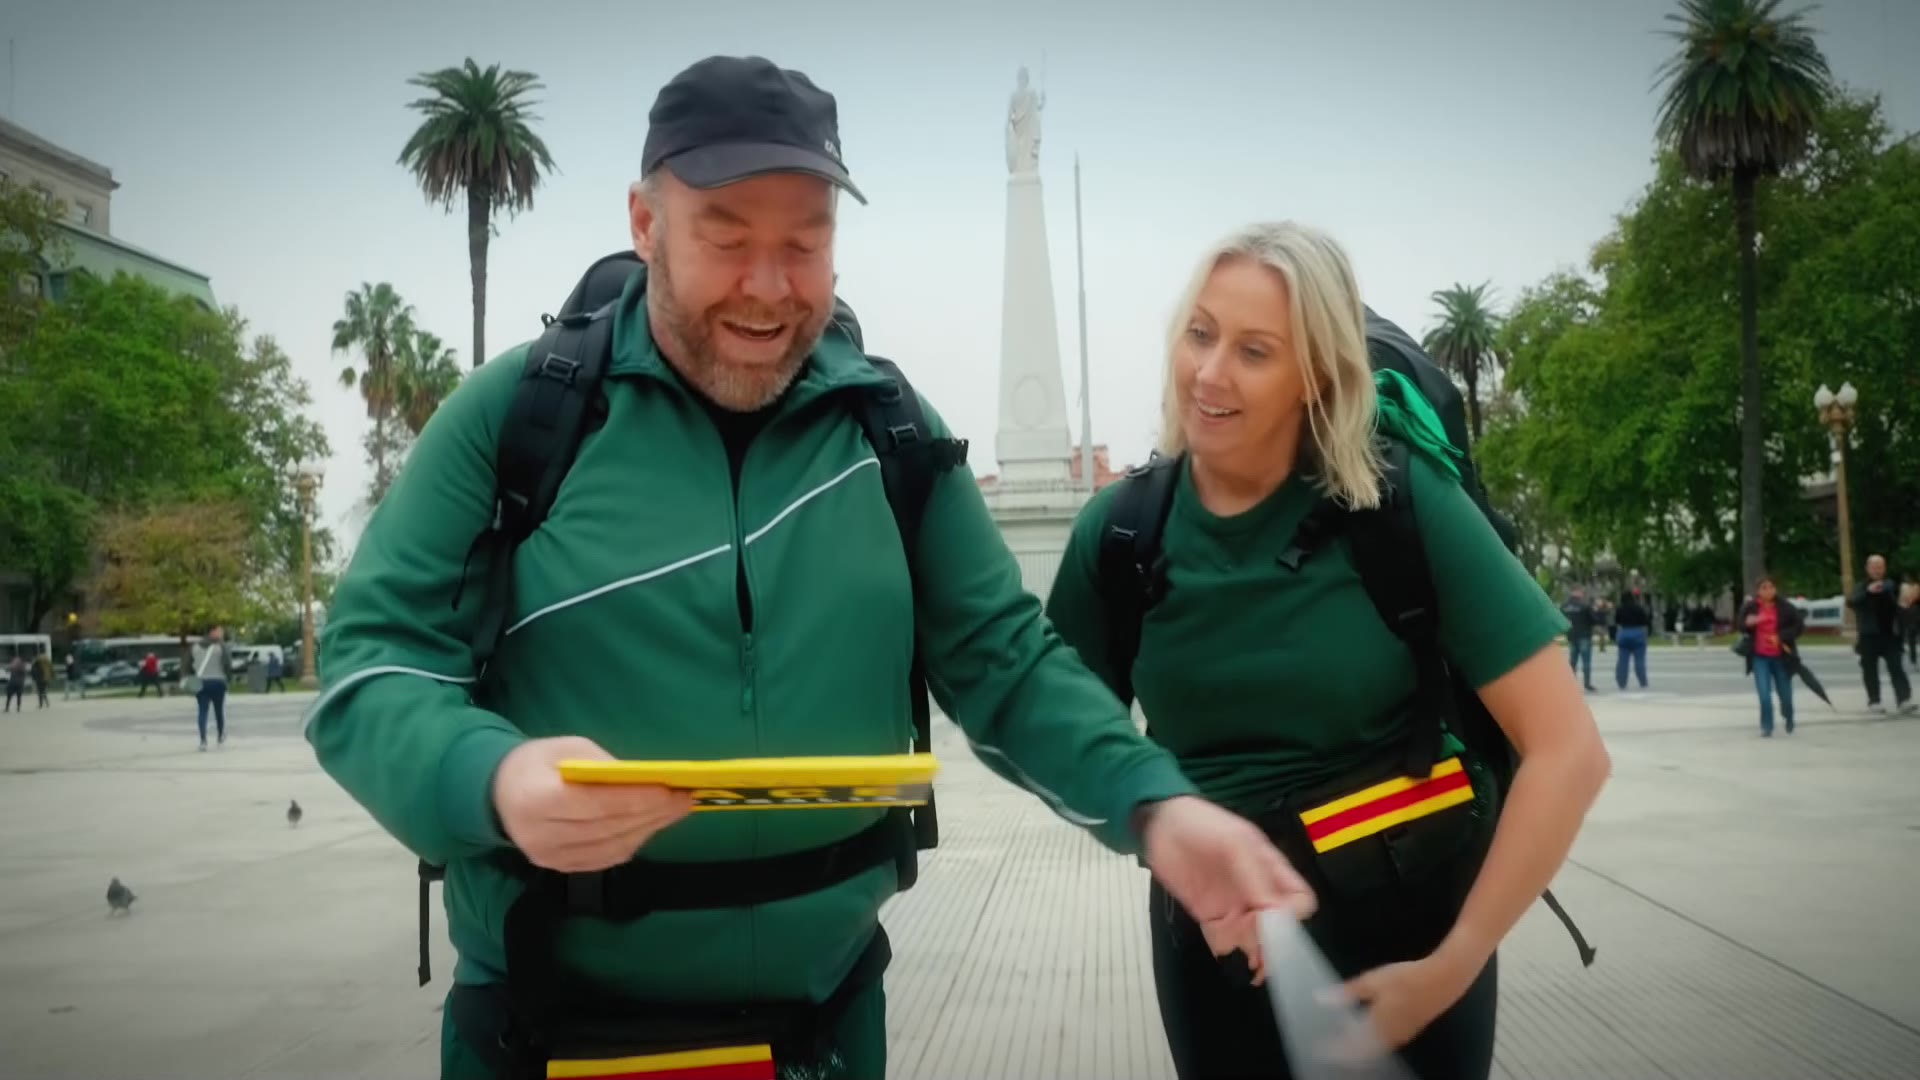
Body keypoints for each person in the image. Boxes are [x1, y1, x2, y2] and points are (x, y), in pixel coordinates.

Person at [305, 54, 1312, 1080]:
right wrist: (491, 777)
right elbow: (371, 664)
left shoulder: (889, 432)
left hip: (826, 1033)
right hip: (549, 1036)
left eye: (805, 242)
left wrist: (1155, 805)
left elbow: (1006, 662)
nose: (769, 286)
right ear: (646, 224)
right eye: (726, 238)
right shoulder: (520, 418)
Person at [1043, 222, 1610, 1079]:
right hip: (1216, 950)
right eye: (1200, 333)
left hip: (1414, 942)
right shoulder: (1121, 533)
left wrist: (1451, 967)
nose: (1209, 372)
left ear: (1316, 376)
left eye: (1254, 351)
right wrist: (1162, 837)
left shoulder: (1399, 506)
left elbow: (1569, 752)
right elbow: (1062, 741)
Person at [1736, 575, 1803, 737]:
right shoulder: (1751, 607)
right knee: (1764, 694)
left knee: (1785, 694)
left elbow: (1799, 627)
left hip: (1781, 656)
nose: (1768, 591)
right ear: (1758, 591)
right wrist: (1749, 623)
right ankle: (1767, 725)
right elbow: (1740, 624)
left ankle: (1788, 716)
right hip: (1760, 657)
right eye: (1764, 588)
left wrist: (1781, 636)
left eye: (1771, 587)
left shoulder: (1785, 607)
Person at [1849, 554, 1913, 714]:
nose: (1877, 570)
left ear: (1884, 569)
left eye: (1880, 567)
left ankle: (1903, 699)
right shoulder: (1861, 587)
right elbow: (1852, 602)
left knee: (1896, 667)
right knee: (1869, 669)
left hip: (1890, 634)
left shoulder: (1891, 585)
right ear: (1867, 569)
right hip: (1868, 635)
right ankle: (1874, 700)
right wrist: (1868, 591)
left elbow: (1903, 602)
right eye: (1874, 567)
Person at [190, 627, 231, 750]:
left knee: (202, 711)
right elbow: (227, 664)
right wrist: (228, 679)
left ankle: (203, 740)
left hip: (201, 682)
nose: (221, 634)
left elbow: (190, 664)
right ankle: (220, 736)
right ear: (212, 632)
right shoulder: (222, 647)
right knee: (219, 710)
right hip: (218, 681)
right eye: (220, 631)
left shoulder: (195, 647)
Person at [1613, 588, 1651, 690]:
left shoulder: (1620, 609)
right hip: (1638, 634)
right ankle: (1643, 681)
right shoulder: (1639, 608)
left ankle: (1622, 682)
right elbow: (1646, 621)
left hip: (1624, 633)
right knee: (1639, 660)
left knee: (1622, 661)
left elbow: (1617, 621)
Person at [1560, 587, 1597, 691]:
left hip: (1571, 635)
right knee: (1586, 661)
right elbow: (1593, 619)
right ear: (1579, 592)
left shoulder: (1564, 606)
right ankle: (1587, 684)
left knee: (1573, 661)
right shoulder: (1585, 605)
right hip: (1584, 635)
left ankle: (1571, 684)